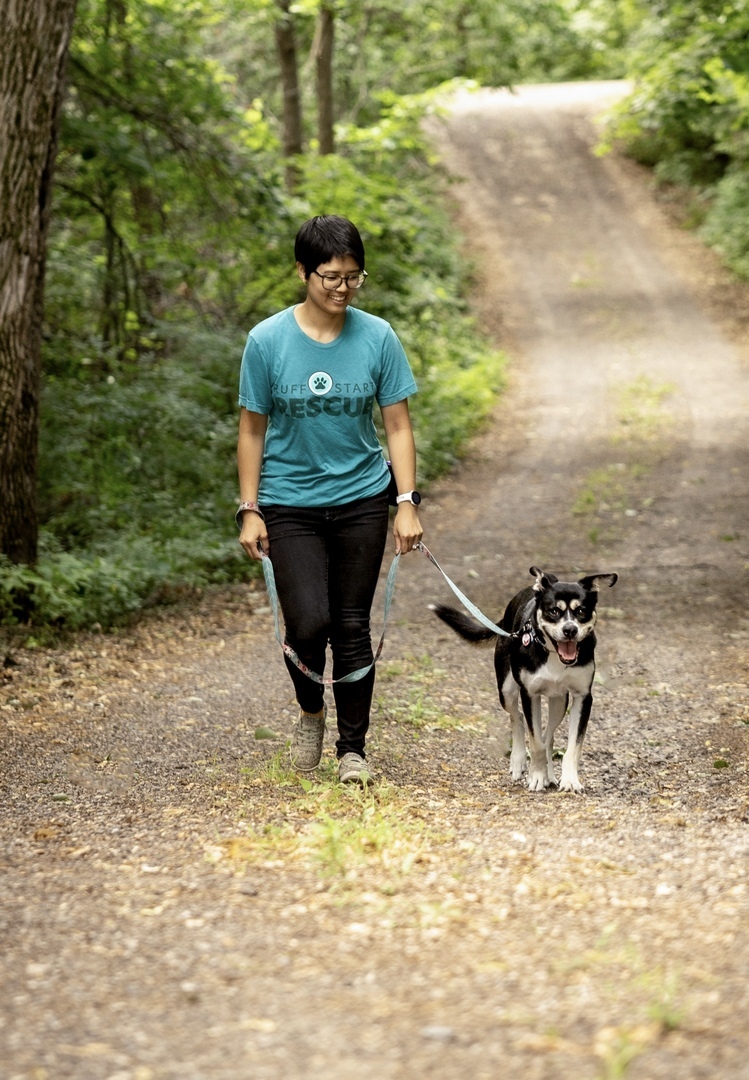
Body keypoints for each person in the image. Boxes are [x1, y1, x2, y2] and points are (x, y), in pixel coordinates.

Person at [236, 215, 423, 785]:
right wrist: (250, 509)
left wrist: (407, 500)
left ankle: (353, 749)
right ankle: (312, 712)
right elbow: (251, 430)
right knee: (308, 622)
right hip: (288, 501)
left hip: (363, 497)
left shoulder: (377, 336)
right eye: (330, 277)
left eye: (353, 277)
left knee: (350, 624)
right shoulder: (266, 341)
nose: (342, 288)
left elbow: (397, 425)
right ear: (302, 271)